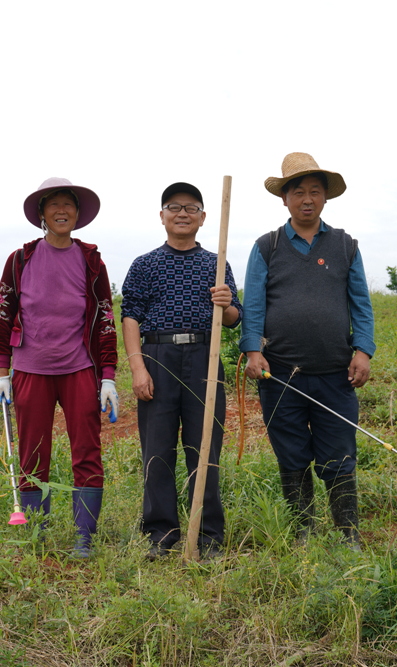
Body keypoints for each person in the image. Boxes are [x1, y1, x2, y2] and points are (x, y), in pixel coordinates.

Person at [240, 153, 376, 550]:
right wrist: (252, 351)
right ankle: (303, 531)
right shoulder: (267, 247)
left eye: (315, 191)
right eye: (298, 191)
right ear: (284, 199)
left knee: (339, 454)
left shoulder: (345, 246)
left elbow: (361, 304)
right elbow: (253, 306)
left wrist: (363, 351)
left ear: (325, 199)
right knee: (292, 452)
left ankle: (347, 533)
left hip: (336, 374)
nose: (306, 199)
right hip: (280, 374)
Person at [0, 176, 119, 558]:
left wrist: (108, 377)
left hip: (80, 369)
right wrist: (2, 372)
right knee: (32, 454)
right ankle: (37, 537)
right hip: (31, 371)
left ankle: (84, 539)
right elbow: (2, 316)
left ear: (78, 215)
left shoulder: (91, 261)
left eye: (69, 204)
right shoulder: (20, 260)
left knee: (87, 451)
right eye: (54, 204)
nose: (62, 210)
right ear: (42, 214)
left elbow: (106, 319)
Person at [121, 182, 243, 561]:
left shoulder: (216, 264)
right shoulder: (145, 264)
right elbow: (130, 316)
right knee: (157, 449)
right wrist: (138, 366)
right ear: (162, 216)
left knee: (203, 448)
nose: (182, 213)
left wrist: (225, 304)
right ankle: (160, 534)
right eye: (174, 207)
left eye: (191, 208)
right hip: (157, 354)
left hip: (204, 356)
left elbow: (235, 318)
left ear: (203, 218)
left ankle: (207, 536)